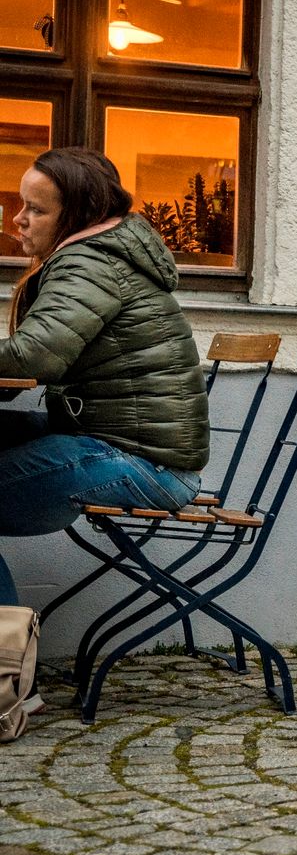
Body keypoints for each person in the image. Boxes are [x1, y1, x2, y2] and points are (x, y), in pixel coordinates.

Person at [0, 149, 208, 608]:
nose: (19, 219)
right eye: (22, 205)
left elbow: (33, 357)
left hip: (142, 463)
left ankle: (6, 664)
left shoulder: (89, 263)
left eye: (36, 209)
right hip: (114, 442)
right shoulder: (100, 256)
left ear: (76, 215)